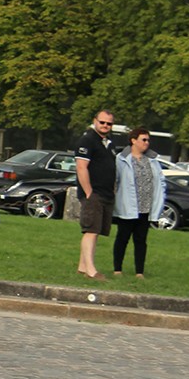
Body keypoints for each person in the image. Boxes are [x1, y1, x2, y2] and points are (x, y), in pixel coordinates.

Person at [113, 127, 166, 278]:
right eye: (144, 140)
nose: (147, 143)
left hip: (145, 207)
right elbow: (115, 181)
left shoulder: (152, 160)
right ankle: (117, 269)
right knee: (122, 238)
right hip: (127, 206)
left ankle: (139, 272)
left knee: (141, 240)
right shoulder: (121, 159)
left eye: (148, 140)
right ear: (133, 140)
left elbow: (160, 182)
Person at [75, 109, 119, 281]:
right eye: (102, 122)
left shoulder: (109, 143)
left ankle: (82, 266)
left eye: (109, 123)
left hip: (106, 193)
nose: (105, 126)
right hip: (94, 193)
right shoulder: (87, 140)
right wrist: (88, 192)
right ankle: (91, 271)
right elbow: (81, 167)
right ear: (95, 121)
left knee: (97, 230)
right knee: (91, 230)